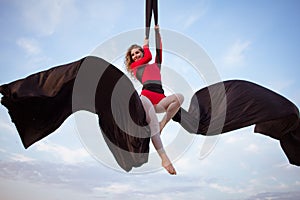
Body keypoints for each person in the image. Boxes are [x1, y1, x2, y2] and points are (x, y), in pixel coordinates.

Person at [125, 25, 184, 175]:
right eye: (133, 54)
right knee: (153, 128)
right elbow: (148, 56)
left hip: (160, 98)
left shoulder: (155, 64)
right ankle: (164, 158)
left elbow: (158, 50)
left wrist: (157, 33)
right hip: (146, 97)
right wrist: (145, 44)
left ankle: (162, 123)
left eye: (138, 52)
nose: (136, 56)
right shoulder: (135, 67)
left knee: (179, 97)